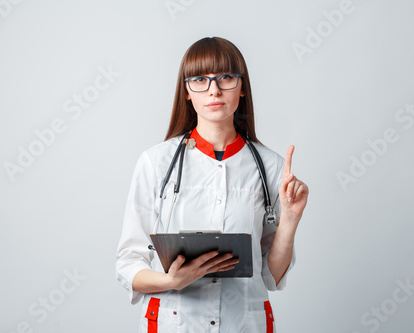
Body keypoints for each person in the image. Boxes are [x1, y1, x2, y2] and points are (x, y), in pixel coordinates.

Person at [116, 36, 309, 332]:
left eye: (226, 78)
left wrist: (291, 220)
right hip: (175, 320)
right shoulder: (156, 163)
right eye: (200, 80)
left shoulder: (271, 167)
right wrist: (172, 281)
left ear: (242, 88)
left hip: (242, 323)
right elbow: (129, 264)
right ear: (187, 92)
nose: (214, 90)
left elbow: (270, 276)